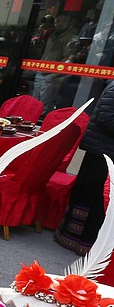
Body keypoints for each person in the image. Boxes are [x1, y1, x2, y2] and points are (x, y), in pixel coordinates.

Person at [57, 79, 114, 255]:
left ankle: (82, 241)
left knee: (95, 198)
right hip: (101, 151)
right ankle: (78, 241)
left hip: (103, 148)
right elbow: (105, 117)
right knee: (94, 197)